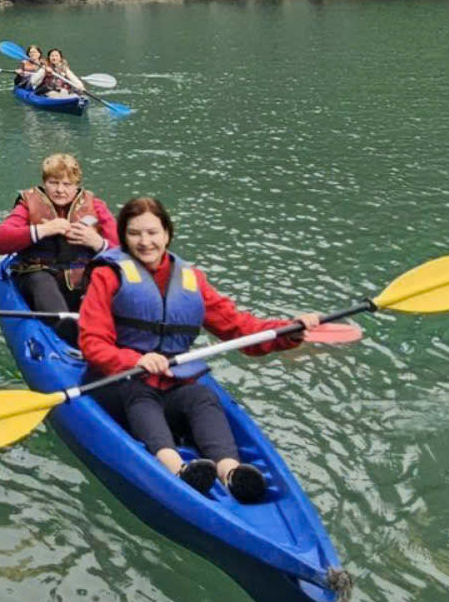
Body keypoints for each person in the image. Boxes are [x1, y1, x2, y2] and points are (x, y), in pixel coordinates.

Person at [78, 197, 322, 503]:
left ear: (167, 234)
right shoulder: (108, 275)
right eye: (135, 233)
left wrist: (289, 330)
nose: (145, 241)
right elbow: (92, 343)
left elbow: (238, 327)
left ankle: (231, 472)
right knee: (140, 395)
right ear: (124, 237)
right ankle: (177, 469)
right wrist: (135, 360)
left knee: (202, 396)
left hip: (171, 381)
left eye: (152, 232)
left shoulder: (190, 279)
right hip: (119, 382)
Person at [0, 152, 118, 340]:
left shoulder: (96, 206)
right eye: (53, 183)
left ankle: (102, 332)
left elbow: (124, 254)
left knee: (100, 282)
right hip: (38, 274)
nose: (60, 190)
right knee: (41, 281)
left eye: (67, 184)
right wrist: (43, 230)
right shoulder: (27, 204)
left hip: (81, 276)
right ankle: (66, 330)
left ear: (77, 186)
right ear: (44, 182)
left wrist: (98, 242)